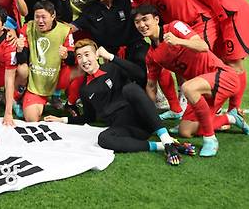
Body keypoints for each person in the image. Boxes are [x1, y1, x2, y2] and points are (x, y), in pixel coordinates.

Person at [44, 39, 195, 166]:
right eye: (79, 56)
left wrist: (111, 56)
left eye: (87, 54)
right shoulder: (84, 89)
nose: (84, 60)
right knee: (103, 139)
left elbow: (140, 74)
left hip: (142, 118)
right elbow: (89, 118)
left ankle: (166, 139)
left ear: (96, 55)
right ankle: (162, 146)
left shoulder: (113, 68)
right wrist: (62, 119)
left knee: (131, 89)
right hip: (126, 129)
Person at [133, 4, 249, 157]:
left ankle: (210, 139)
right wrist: (148, 112)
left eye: (145, 19)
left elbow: (202, 46)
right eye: (137, 22)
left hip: (222, 76)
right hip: (200, 88)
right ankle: (232, 118)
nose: (142, 25)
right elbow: (151, 86)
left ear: (156, 19)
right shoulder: (151, 55)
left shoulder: (175, 27)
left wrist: (179, 41)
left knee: (188, 88)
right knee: (185, 131)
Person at [15, 1, 78, 122]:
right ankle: (22, 97)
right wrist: (20, 49)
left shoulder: (65, 30)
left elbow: (71, 60)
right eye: (37, 17)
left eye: (43, 17)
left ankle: (70, 102)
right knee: (31, 119)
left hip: (58, 78)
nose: (40, 21)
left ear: (53, 16)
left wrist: (66, 56)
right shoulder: (28, 27)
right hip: (37, 82)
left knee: (82, 68)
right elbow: (22, 60)